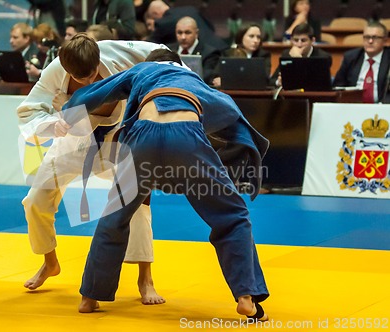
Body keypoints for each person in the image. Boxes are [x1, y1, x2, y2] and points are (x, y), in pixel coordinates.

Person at [57, 49, 270, 319]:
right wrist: (246, 156)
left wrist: (67, 113)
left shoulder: (141, 71)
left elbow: (97, 91)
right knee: (232, 216)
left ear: (151, 63)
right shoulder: (196, 82)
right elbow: (234, 118)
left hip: (142, 138)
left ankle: (89, 296)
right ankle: (246, 297)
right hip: (187, 138)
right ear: (180, 65)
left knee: (115, 215)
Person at [16, 33, 170, 305]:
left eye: (92, 75)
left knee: (138, 201)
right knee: (35, 201)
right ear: (65, 68)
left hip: (119, 136)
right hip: (75, 139)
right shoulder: (54, 71)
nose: (88, 83)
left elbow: (162, 52)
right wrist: (52, 125)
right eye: (80, 78)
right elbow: (28, 110)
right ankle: (50, 263)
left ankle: (146, 278)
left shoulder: (120, 52)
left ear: (99, 59)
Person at [333, 21, 390, 103]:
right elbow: (338, 86)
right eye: (367, 37)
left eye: (375, 37)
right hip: (353, 107)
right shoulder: (351, 57)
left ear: (385, 40)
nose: (370, 41)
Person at [145, 0, 228, 52]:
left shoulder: (162, 22)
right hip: (221, 47)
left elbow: (150, 46)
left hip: (204, 55)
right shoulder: (191, 9)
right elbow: (211, 27)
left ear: (155, 13)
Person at [270, 22, 332, 87]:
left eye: (303, 40)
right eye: (296, 40)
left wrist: (298, 59)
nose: (299, 44)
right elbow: (272, 80)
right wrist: (278, 82)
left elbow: (319, 83)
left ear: (313, 41)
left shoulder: (323, 57)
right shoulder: (286, 54)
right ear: (291, 40)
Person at [168, 16, 220, 85]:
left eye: (187, 33)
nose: (183, 37)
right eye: (179, 33)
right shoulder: (168, 50)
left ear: (196, 33)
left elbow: (206, 78)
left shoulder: (210, 53)